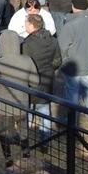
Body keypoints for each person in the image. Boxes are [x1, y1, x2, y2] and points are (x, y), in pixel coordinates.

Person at [0, 30, 40, 165]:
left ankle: (8, 160)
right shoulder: (27, 60)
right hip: (22, 103)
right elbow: (35, 83)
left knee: (4, 131)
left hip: (3, 105)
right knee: (24, 130)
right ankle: (25, 156)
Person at [57, 0, 88, 113]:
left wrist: (65, 60)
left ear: (73, 6)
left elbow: (63, 46)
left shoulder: (69, 25)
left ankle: (72, 117)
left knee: (72, 91)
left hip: (72, 65)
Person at [21, 13, 60, 145]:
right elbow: (58, 60)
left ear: (32, 25)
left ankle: (25, 136)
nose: (24, 25)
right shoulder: (53, 40)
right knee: (44, 111)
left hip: (31, 82)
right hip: (47, 80)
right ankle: (45, 140)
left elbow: (25, 64)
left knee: (28, 110)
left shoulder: (27, 44)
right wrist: (48, 68)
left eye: (26, 23)